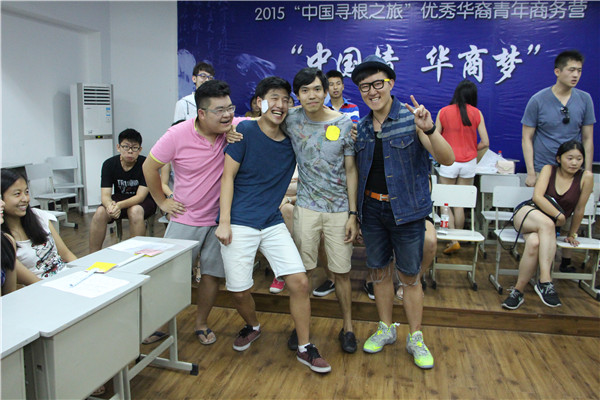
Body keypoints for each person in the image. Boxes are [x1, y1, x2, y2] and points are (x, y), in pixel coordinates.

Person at [215, 76, 331, 373]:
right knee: (239, 290)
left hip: (271, 221)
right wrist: (224, 222)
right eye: (273, 98)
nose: (279, 105)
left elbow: (322, 126)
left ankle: (305, 347)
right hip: (239, 221)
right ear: (260, 102)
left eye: (285, 100)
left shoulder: (292, 138)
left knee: (299, 282)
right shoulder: (244, 131)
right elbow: (227, 177)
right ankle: (252, 325)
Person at [351, 55, 454, 369]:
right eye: (365, 86)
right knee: (380, 273)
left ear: (391, 83)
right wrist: (355, 214)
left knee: (410, 277)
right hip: (372, 210)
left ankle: (415, 337)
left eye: (378, 84)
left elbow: (447, 159)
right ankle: (386, 329)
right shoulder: (362, 128)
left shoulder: (413, 119)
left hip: (408, 212)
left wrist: (430, 129)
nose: (372, 91)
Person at [143, 80, 233, 346]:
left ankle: (201, 323)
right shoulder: (177, 134)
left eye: (230, 108)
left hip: (219, 220)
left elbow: (263, 121)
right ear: (201, 113)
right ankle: (159, 323)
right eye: (220, 110)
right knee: (171, 277)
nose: (227, 115)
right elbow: (149, 167)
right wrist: (162, 202)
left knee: (212, 276)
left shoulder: (234, 129)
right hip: (186, 218)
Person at [281, 67, 358, 353]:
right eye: (304, 90)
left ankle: (348, 328)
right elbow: (258, 123)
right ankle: (301, 327)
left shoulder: (344, 123)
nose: (311, 95)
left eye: (316, 89)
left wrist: (353, 214)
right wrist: (233, 133)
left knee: (341, 272)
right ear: (297, 95)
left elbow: (351, 171)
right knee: (304, 272)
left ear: (326, 91)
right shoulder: (290, 119)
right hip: (306, 207)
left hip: (339, 209)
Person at [502, 140, 592, 310]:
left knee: (534, 243)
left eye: (579, 159)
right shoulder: (549, 169)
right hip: (528, 214)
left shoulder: (585, 177)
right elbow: (537, 197)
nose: (574, 163)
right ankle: (545, 280)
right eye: (570, 158)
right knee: (547, 224)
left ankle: (517, 292)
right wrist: (558, 215)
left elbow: (580, 208)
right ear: (559, 158)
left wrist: (572, 234)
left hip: (548, 227)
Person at [522, 50, 595, 188]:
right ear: (557, 72)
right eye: (571, 70)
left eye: (579, 71)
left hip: (573, 170)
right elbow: (526, 138)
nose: (576, 75)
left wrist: (587, 172)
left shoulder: (585, 99)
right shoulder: (538, 100)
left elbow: (587, 138)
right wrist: (531, 172)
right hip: (543, 168)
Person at [436, 80, 489, 254]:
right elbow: (485, 142)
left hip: (448, 161)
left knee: (445, 202)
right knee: (460, 204)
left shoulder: (444, 112)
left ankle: (452, 240)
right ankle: (458, 237)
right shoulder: (477, 113)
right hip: (469, 162)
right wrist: (473, 150)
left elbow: (435, 137)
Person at [89, 129, 156, 253]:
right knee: (100, 212)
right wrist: (110, 207)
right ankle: (92, 255)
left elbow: (140, 196)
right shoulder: (109, 164)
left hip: (144, 201)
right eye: (126, 147)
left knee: (135, 211)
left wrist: (118, 206)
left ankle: (137, 255)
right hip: (119, 198)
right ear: (118, 147)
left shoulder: (146, 164)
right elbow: (105, 195)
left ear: (140, 149)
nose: (130, 151)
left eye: (134, 148)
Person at [1, 169, 77, 279]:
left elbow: (66, 254)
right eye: (17, 194)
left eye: (26, 192)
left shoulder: (39, 216)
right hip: (43, 285)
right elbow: (33, 282)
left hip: (68, 276)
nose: (25, 199)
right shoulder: (4, 240)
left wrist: (83, 271)